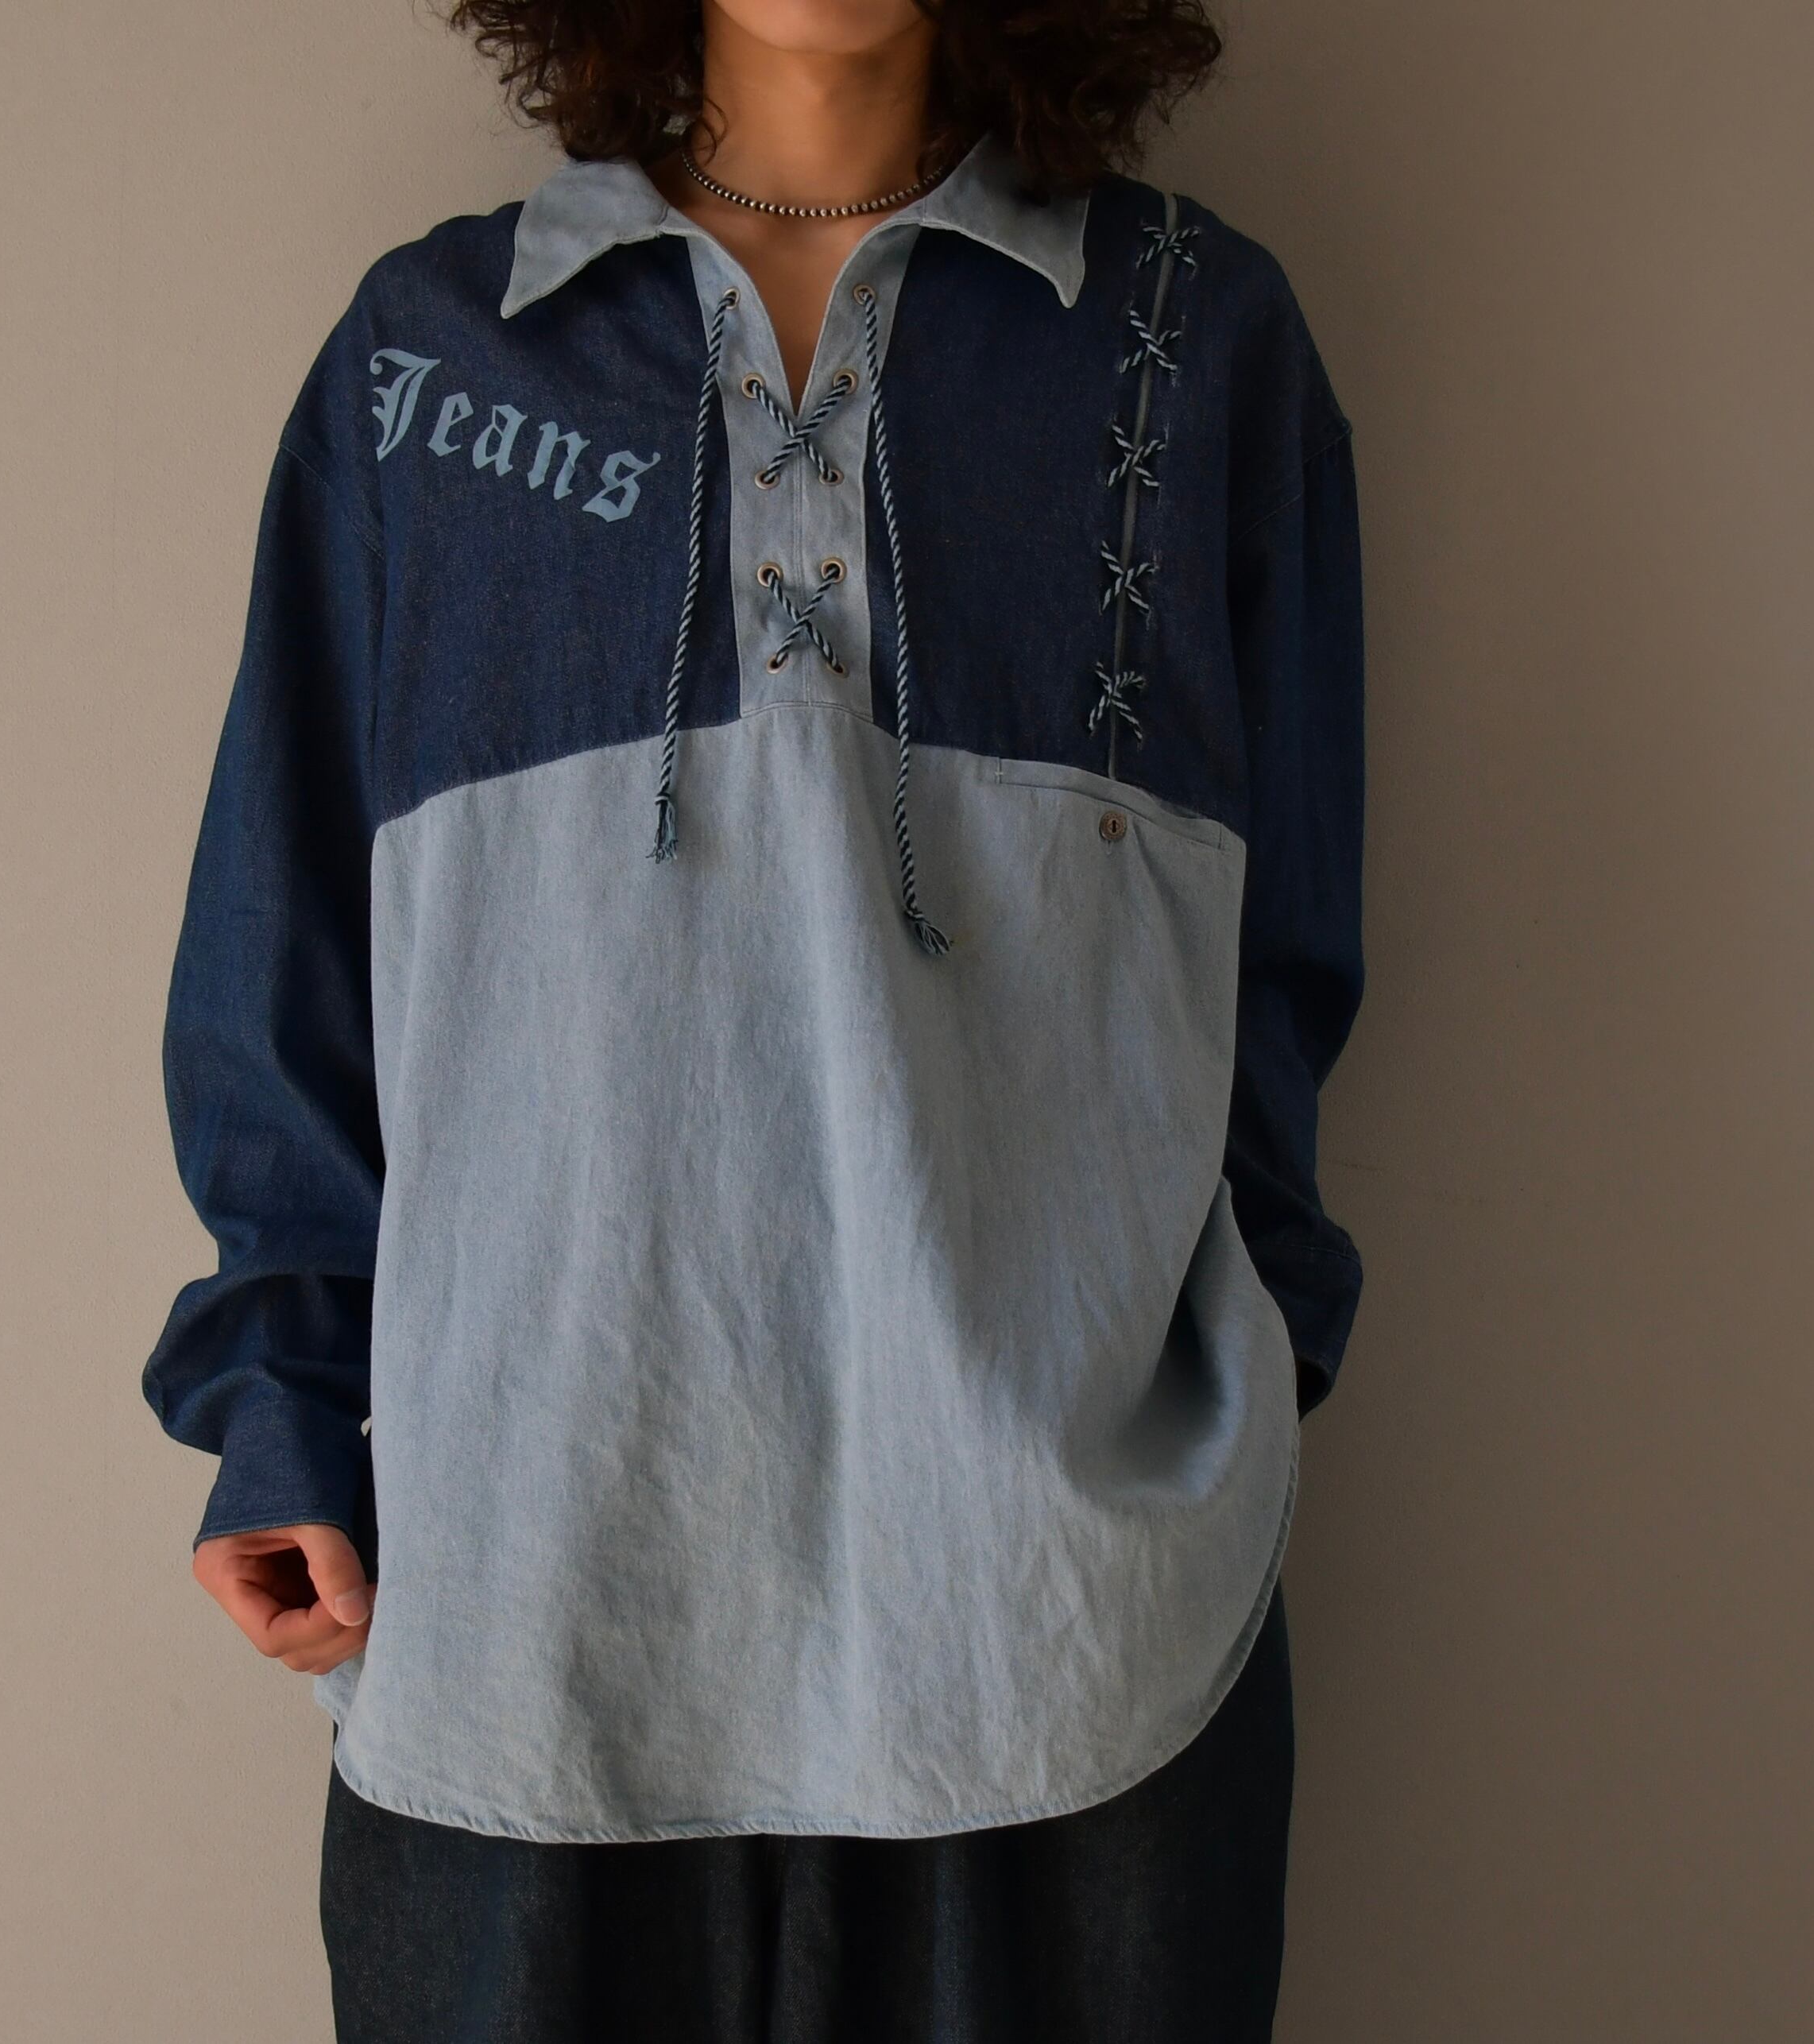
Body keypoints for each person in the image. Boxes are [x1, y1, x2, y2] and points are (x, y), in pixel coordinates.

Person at [142, 0, 1367, 2035]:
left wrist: (1243, 1377)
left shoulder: (1186, 338)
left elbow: (1283, 956)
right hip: (528, 1605)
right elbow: (289, 944)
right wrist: (276, 1404)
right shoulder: (432, 361)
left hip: (1061, 1644)